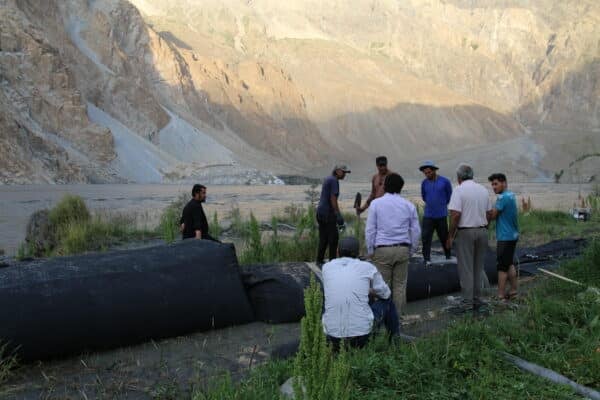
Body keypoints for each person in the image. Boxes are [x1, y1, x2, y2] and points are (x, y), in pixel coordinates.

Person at [322, 236, 400, 350]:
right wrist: (372, 292)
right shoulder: (368, 267)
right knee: (388, 302)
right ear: (358, 253)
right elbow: (386, 293)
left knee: (329, 301)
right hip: (361, 336)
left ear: (337, 252)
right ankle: (395, 343)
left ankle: (333, 346)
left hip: (332, 336)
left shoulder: (326, 267)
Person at [366, 173, 421, 314]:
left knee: (381, 287)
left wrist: (370, 250)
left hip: (382, 250)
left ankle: (382, 321)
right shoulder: (408, 205)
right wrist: (411, 250)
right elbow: (415, 231)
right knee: (400, 286)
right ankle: (397, 321)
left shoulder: (376, 204)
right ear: (401, 188)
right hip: (402, 249)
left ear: (384, 186)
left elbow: (370, 230)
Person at [445, 163, 492, 309]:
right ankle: (477, 299)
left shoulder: (459, 190)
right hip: (482, 231)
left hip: (466, 232)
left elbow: (455, 215)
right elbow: (489, 213)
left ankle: (467, 302)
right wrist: (485, 226)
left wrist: (450, 236)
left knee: (466, 268)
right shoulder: (483, 190)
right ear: (472, 176)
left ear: (459, 178)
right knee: (478, 267)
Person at [488, 173, 519, 300]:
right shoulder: (511, 195)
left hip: (505, 237)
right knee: (509, 264)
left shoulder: (502, 198)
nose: (493, 187)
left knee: (501, 267)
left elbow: (493, 215)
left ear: (504, 183)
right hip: (513, 235)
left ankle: (500, 295)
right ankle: (513, 291)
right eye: (492, 185)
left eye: (496, 184)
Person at [419, 160, 453, 265]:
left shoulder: (445, 181)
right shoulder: (424, 183)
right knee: (426, 237)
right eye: (425, 173)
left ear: (434, 171)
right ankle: (426, 259)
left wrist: (441, 204)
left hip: (441, 215)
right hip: (428, 215)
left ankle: (448, 256)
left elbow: (449, 196)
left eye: (429, 172)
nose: (427, 174)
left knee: (444, 237)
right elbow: (424, 197)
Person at [316, 164, 350, 265]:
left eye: (345, 173)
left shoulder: (328, 179)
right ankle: (333, 263)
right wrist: (338, 215)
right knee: (333, 239)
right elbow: (333, 199)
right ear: (337, 171)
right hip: (328, 214)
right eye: (343, 172)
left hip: (320, 213)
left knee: (324, 238)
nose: (344, 174)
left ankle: (319, 260)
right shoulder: (334, 181)